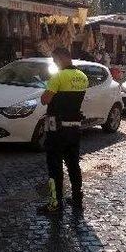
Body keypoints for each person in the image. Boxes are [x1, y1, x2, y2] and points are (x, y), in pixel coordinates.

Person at [37, 47, 89, 216]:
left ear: (60, 58)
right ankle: (76, 198)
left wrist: (47, 88)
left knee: (54, 167)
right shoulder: (82, 77)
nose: (54, 63)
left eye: (54, 59)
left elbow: (45, 100)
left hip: (57, 130)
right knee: (73, 165)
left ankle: (55, 203)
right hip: (74, 128)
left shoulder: (58, 77)